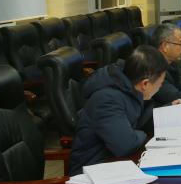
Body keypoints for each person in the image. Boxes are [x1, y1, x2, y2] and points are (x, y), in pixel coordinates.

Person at [70, 45, 167, 175]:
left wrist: (167, 109)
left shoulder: (128, 87)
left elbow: (137, 120)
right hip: (91, 174)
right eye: (160, 84)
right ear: (145, 84)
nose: (159, 88)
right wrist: (141, 134)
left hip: (115, 164)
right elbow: (125, 145)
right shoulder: (107, 99)